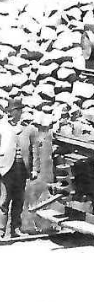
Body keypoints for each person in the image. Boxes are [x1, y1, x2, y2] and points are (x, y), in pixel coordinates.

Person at [0, 101, 32, 239]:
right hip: (6, 168)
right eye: (18, 111)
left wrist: (31, 168)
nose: (20, 114)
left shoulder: (25, 128)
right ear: (13, 112)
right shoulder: (2, 127)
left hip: (20, 169)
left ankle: (15, 229)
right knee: (4, 200)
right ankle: (1, 230)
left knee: (19, 199)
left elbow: (31, 149)